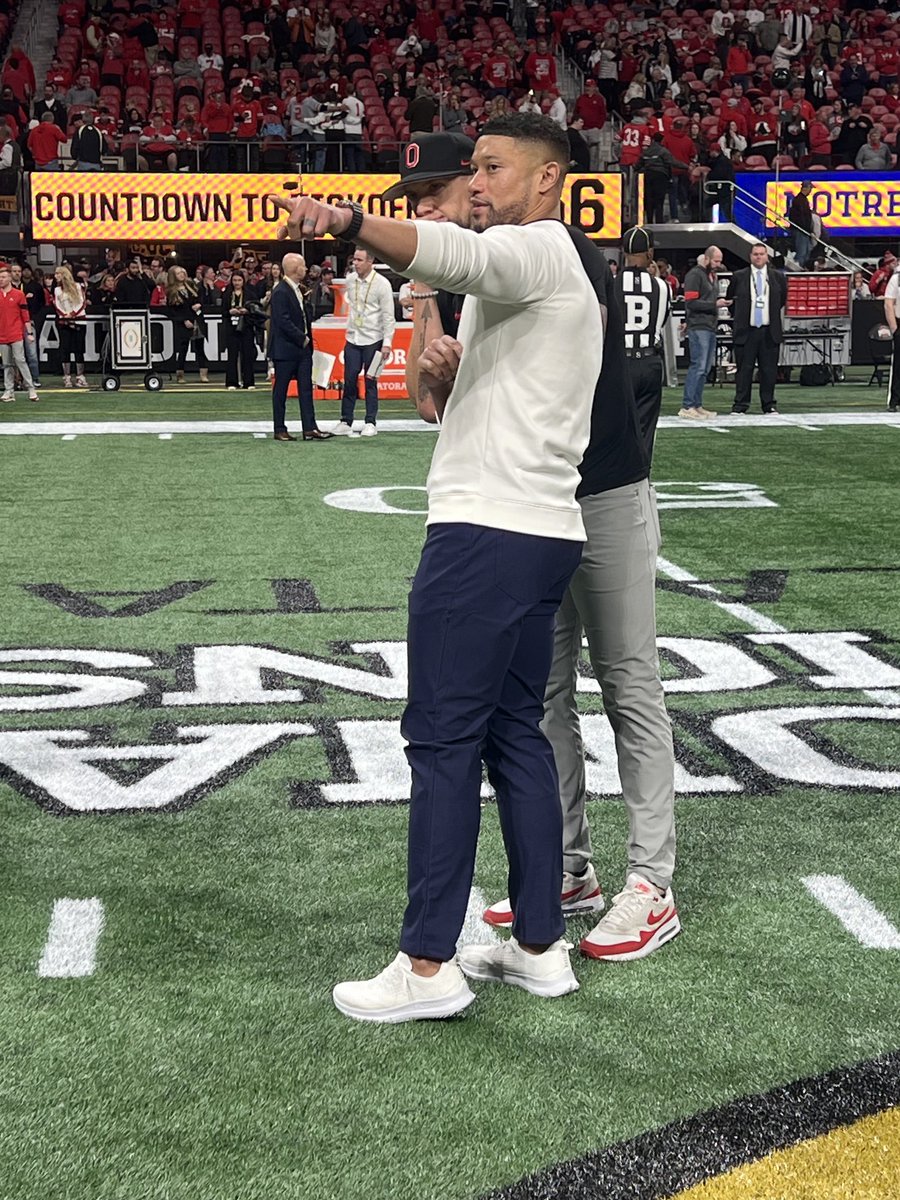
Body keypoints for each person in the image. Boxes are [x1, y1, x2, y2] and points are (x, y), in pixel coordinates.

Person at [273, 112, 605, 1022]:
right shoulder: (545, 265)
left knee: (444, 742)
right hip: (538, 529)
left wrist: (342, 221)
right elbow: (465, 378)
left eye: (494, 168)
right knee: (513, 736)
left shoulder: (537, 246)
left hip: (486, 533)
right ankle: (539, 945)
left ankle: (426, 965)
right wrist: (444, 374)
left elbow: (458, 253)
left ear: (546, 181)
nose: (480, 183)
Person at [380, 132, 475, 408]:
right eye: (412, 196)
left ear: (475, 182)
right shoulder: (443, 274)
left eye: (436, 187)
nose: (421, 207)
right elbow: (427, 405)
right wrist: (423, 274)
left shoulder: (516, 250)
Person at [613, 226, 672, 457]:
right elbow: (663, 319)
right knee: (645, 431)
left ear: (623, 251)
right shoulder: (662, 286)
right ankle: (641, 481)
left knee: (614, 428)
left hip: (620, 362)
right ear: (650, 253)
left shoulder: (611, 283)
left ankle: (616, 485)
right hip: (649, 361)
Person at [268, 252, 333, 441]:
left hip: (302, 349)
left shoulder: (299, 289)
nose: (306, 269)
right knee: (281, 390)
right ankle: (279, 428)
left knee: (306, 388)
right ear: (295, 269)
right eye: (303, 266)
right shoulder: (280, 291)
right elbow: (282, 320)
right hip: (286, 349)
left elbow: (303, 316)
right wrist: (302, 338)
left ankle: (310, 427)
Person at [333, 248, 395, 437]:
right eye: (354, 260)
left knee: (370, 381)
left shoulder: (382, 284)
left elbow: (388, 316)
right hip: (353, 338)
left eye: (360, 260)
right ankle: (346, 420)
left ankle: (370, 421)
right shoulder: (350, 280)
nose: (356, 264)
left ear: (370, 262)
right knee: (350, 379)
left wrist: (387, 343)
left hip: (374, 340)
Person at [727, 242, 787, 415]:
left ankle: (769, 404)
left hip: (769, 331)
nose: (758, 257)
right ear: (750, 256)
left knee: (768, 370)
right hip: (747, 330)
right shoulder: (739, 276)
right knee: (744, 370)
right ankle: (740, 405)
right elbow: (731, 301)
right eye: (755, 254)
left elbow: (781, 300)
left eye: (762, 254)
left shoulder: (777, 277)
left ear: (767, 257)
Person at [679, 246, 730, 419]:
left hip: (709, 326)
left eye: (720, 261)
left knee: (705, 368)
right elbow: (691, 302)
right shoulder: (695, 275)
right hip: (699, 326)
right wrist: (714, 305)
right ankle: (688, 405)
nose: (718, 264)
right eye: (716, 261)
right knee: (698, 366)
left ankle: (696, 404)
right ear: (707, 259)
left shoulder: (711, 276)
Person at [0, 265, 39, 403]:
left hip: (15, 333)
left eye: (3, 277)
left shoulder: (19, 295)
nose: (1, 280)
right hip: (2, 335)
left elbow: (25, 315)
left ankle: (31, 388)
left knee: (20, 360)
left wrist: (29, 333)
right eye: (0, 277)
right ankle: (9, 390)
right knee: (7, 364)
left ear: (10, 278)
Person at [165, 266, 208, 383]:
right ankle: (180, 375)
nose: (181, 275)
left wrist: (199, 304)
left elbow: (200, 298)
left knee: (200, 348)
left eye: (182, 272)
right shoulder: (171, 291)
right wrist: (184, 320)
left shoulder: (191, 285)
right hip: (183, 323)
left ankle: (203, 374)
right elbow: (173, 311)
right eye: (178, 273)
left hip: (197, 320)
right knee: (183, 349)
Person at [52, 265, 88, 388]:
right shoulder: (57, 290)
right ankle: (67, 377)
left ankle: (80, 376)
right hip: (64, 322)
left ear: (64, 275)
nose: (56, 276)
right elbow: (57, 305)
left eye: (58, 274)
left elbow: (82, 303)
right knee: (65, 348)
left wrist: (72, 314)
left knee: (79, 348)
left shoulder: (78, 287)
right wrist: (65, 315)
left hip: (79, 321)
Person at [222, 270, 258, 389]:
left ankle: (249, 382)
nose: (237, 283)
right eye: (235, 280)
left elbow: (255, 309)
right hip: (231, 328)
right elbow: (222, 311)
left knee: (247, 354)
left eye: (239, 280)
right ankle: (232, 382)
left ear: (243, 281)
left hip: (246, 326)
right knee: (232, 355)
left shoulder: (250, 293)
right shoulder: (227, 294)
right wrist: (229, 311)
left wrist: (246, 311)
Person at [882, 261, 900, 412]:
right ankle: (894, 400)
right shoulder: (897, 279)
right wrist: (895, 328)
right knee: (899, 366)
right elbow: (888, 304)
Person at [788, 180, 814, 269]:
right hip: (801, 230)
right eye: (810, 188)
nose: (811, 191)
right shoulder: (799, 200)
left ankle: (801, 268)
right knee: (801, 253)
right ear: (806, 188)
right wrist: (806, 229)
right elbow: (802, 217)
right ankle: (797, 270)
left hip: (803, 230)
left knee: (806, 252)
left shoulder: (801, 199)